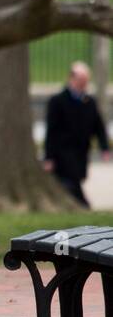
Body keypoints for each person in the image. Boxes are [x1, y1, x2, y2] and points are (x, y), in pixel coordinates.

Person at [43, 62, 110, 208]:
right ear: (72, 79)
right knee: (71, 182)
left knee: (75, 181)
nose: (83, 84)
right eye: (81, 81)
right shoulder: (58, 101)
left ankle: (77, 205)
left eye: (85, 81)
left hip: (81, 151)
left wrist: (104, 148)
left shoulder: (89, 102)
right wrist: (48, 157)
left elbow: (99, 127)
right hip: (62, 152)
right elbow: (51, 131)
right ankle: (84, 205)